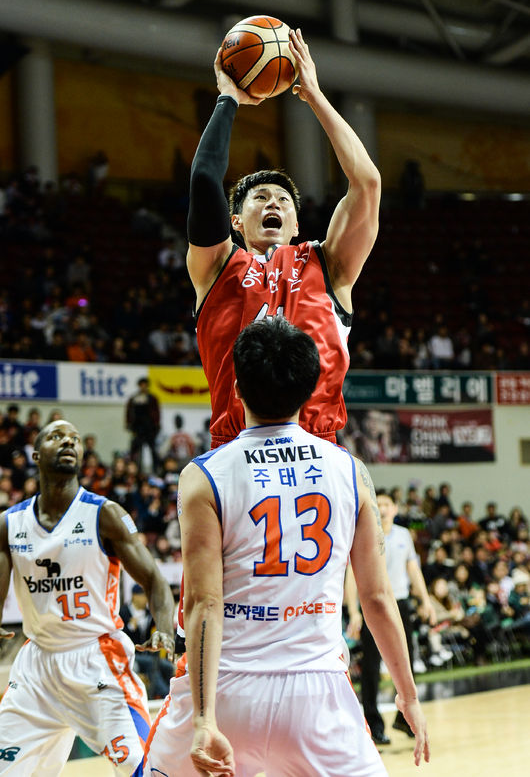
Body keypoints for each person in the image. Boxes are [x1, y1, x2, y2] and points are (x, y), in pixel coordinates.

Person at [143, 317, 429, 776]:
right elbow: (377, 597)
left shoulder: (204, 474)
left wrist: (203, 719)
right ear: (311, 389)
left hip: (228, 687)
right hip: (317, 695)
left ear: (237, 389)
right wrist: (408, 695)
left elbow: (203, 603)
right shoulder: (351, 471)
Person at [186, 27, 380, 449]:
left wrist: (315, 95)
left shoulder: (329, 265)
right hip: (237, 446)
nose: (272, 201)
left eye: (283, 199)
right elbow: (204, 179)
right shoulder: (217, 266)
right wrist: (228, 98)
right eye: (259, 197)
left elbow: (366, 183)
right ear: (236, 221)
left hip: (316, 446)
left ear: (296, 224)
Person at [0, 418, 176, 775]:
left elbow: (155, 579)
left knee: (144, 767)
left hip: (96, 658)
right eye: (56, 436)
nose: (68, 442)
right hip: (36, 665)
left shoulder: (105, 514)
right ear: (36, 454)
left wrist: (164, 628)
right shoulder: (9, 523)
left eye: (75, 439)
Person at [359, 491, 436, 745]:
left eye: (386, 504)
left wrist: (426, 600)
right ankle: (373, 725)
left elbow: (413, 569)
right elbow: (351, 573)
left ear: (394, 508)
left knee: (406, 660)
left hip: (400, 603)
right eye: (378, 503)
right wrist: (354, 612)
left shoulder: (404, 535)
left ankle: (404, 719)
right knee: (371, 666)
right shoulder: (364, 531)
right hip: (373, 604)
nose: (382, 508)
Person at [125, 376, 161, 473]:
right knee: (135, 450)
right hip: (138, 428)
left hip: (149, 429)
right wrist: (129, 424)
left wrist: (156, 426)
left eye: (145, 385)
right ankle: (133, 468)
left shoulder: (152, 398)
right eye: (141, 385)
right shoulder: (134, 399)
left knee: (153, 449)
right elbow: (129, 412)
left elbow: (157, 413)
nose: (143, 387)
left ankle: (156, 469)